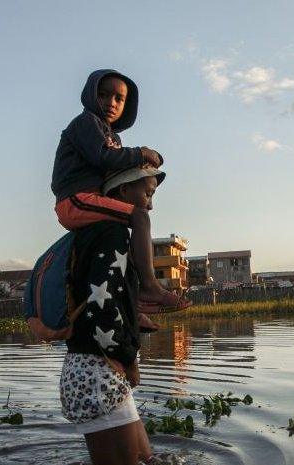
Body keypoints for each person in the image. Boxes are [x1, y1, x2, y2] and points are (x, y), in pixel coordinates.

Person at [51, 69, 190, 323]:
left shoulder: (111, 136)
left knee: (124, 241)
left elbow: (120, 167)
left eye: (119, 98)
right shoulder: (86, 123)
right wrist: (141, 153)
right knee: (139, 217)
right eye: (103, 95)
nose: (111, 103)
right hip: (75, 199)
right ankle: (149, 286)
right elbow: (103, 157)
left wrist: (147, 162)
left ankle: (131, 304)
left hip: (92, 199)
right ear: (90, 95)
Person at [61, 166, 168, 465]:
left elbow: (110, 300)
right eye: (147, 194)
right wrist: (130, 359)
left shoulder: (93, 234)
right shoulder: (111, 233)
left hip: (98, 372)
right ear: (123, 192)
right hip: (98, 373)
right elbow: (103, 311)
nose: (149, 206)